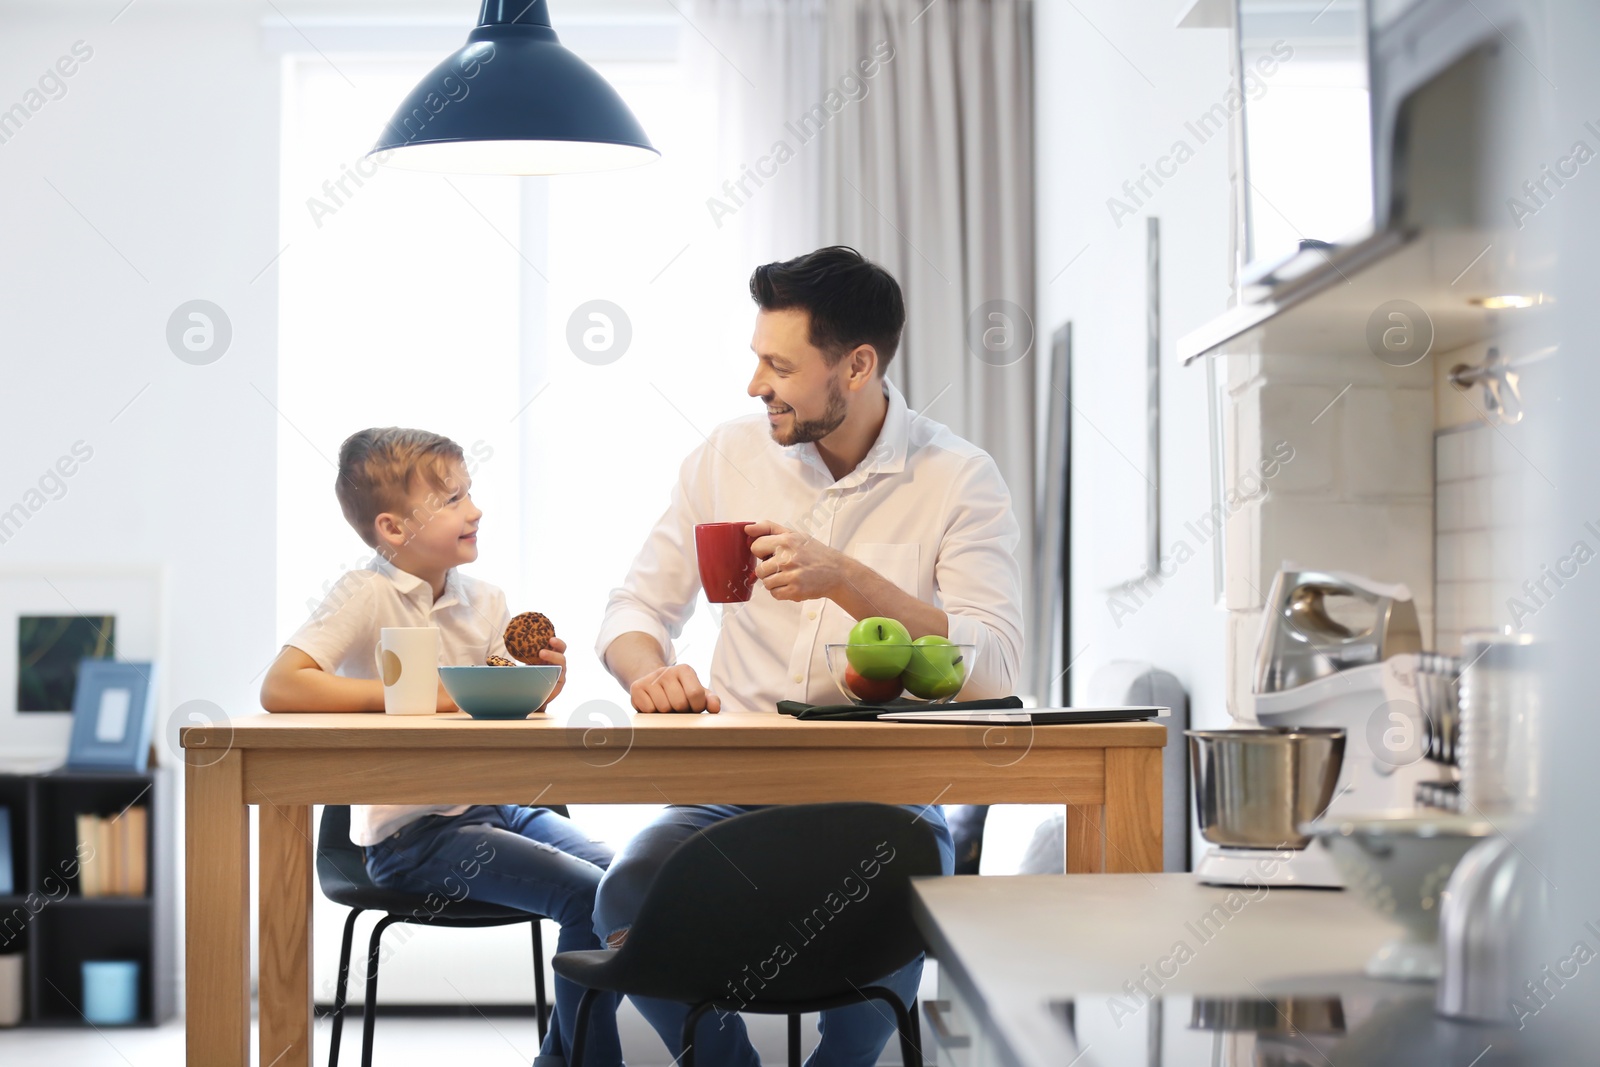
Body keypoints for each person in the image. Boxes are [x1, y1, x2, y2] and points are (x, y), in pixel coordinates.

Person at [593, 246, 1025, 1067]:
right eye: (759, 358)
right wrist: (648, 667)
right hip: (730, 796)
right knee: (626, 892)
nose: (755, 383)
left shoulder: (959, 478)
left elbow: (996, 666)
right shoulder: (726, 457)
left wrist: (847, 578)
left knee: (898, 903)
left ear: (857, 366)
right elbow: (633, 608)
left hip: (886, 804)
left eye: (779, 365)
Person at [260, 426, 621, 1067]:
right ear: (394, 529)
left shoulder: (486, 601)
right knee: (586, 898)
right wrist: (413, 696)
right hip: (412, 836)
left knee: (625, 884)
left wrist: (542, 687)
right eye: (452, 499)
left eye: (469, 493)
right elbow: (281, 685)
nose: (474, 510)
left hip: (501, 807)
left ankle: (561, 1061)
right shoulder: (364, 594)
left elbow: (500, 705)